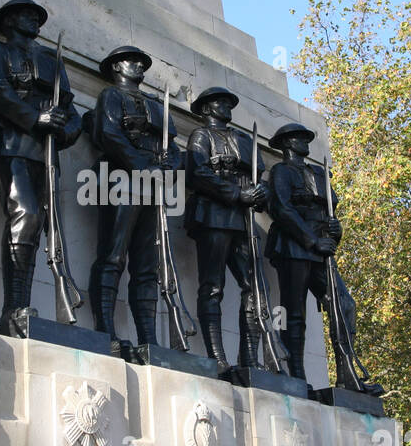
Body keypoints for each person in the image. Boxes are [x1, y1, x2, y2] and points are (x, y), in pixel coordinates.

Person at [0, 0, 82, 336]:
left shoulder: (52, 62)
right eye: (25, 15)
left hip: (45, 154)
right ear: (9, 20)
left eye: (36, 15)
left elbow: (71, 111)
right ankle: (13, 308)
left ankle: (22, 308)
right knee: (27, 215)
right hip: (11, 144)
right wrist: (36, 118)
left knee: (43, 228)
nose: (33, 20)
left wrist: (63, 129)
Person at [265, 122, 382, 394]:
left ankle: (347, 374)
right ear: (285, 143)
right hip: (294, 246)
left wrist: (335, 232)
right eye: (297, 138)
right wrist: (312, 240)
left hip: (322, 249)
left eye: (306, 138)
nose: (304, 142)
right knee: (293, 314)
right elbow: (282, 209)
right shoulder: (281, 171)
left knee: (345, 305)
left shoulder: (318, 173)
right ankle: (296, 374)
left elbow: (330, 211)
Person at [83, 46, 181, 345]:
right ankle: (106, 331)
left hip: (153, 186)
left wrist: (168, 167)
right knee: (113, 257)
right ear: (116, 67)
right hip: (121, 180)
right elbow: (110, 135)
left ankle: (148, 339)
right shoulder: (111, 96)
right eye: (131, 61)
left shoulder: (155, 105)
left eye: (141, 63)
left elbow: (174, 149)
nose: (138, 66)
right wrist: (144, 165)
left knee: (147, 266)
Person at [184, 86, 268, 374]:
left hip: (243, 220)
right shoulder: (200, 136)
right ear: (207, 108)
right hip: (214, 215)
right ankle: (216, 356)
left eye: (228, 102)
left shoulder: (243, 140)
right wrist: (235, 194)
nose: (226, 106)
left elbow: (259, 176)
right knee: (213, 286)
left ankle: (250, 358)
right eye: (219, 102)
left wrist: (260, 194)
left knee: (255, 287)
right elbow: (197, 173)